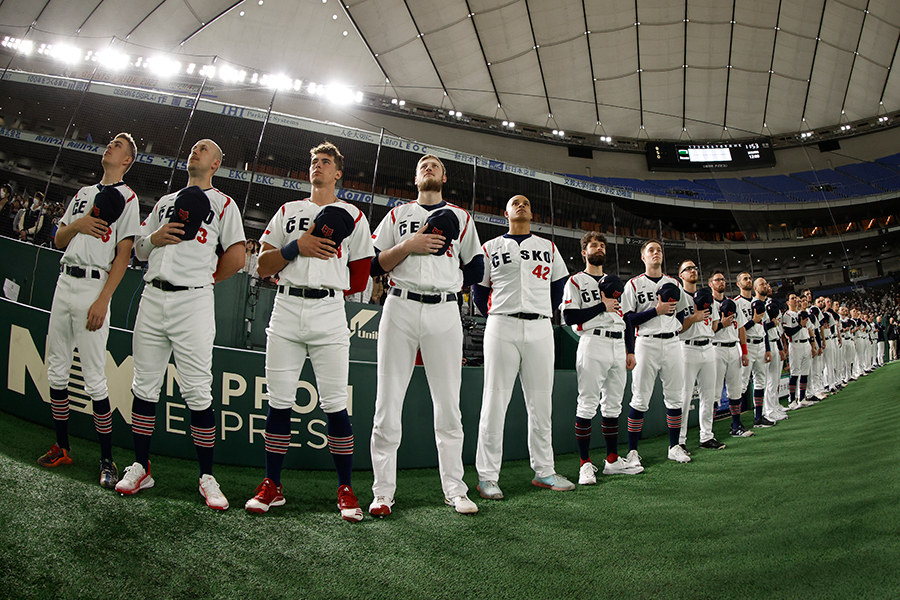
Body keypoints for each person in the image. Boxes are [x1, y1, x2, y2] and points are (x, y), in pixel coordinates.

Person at [244, 142, 374, 521]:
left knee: (335, 402)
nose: (318, 166)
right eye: (314, 161)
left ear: (338, 173)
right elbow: (262, 266)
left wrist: (326, 280)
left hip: (330, 310)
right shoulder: (289, 210)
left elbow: (361, 276)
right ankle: (272, 485)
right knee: (279, 400)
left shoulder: (355, 215)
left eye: (326, 162)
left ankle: (346, 488)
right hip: (285, 307)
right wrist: (295, 248)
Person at [115, 139, 246, 510]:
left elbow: (236, 256)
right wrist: (152, 239)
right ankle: (141, 465)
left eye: (204, 148)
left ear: (216, 163)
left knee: (198, 391)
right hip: (153, 296)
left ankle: (207, 475)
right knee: (144, 384)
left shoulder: (224, 203)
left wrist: (205, 280)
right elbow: (138, 250)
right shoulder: (164, 202)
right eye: (192, 147)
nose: (195, 151)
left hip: (193, 300)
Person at [368, 154, 484, 516]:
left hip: (444, 310)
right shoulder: (398, 215)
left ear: (444, 177)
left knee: (449, 406)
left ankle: (455, 489)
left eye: (434, 165)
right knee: (387, 403)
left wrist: (447, 282)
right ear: (414, 178)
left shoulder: (462, 217)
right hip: (399, 305)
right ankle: (382, 492)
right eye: (422, 166)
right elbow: (373, 264)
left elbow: (477, 267)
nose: (428, 168)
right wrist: (409, 246)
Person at [37, 133, 141, 489]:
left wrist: (104, 299)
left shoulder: (128, 197)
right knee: (57, 370)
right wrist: (77, 224)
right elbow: (58, 239)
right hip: (64, 282)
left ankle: (107, 459)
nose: (110, 146)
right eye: (110, 142)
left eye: (118, 146)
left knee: (95, 377)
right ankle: (62, 446)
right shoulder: (83, 194)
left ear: (127, 161)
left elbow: (124, 255)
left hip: (93, 287)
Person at [471, 195, 573, 499]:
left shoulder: (548, 247)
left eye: (526, 202)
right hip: (501, 324)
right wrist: (499, 311)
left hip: (541, 326)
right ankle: (487, 476)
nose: (521, 205)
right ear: (505, 213)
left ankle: (545, 471)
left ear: (532, 212)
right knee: (494, 401)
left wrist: (540, 311)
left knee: (541, 403)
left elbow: (558, 290)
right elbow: (479, 292)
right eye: (515, 203)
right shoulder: (489, 247)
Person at [561, 232, 642, 484]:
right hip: (593, 341)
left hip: (618, 343)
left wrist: (630, 350)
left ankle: (612, 460)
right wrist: (601, 306)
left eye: (602, 245)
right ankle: (585, 464)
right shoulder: (575, 281)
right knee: (587, 403)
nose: (599, 248)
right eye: (593, 245)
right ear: (584, 252)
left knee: (613, 405)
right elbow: (569, 317)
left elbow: (627, 318)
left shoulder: (617, 282)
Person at [620, 239, 692, 467]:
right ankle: (632, 451)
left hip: (672, 343)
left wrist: (671, 323)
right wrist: (656, 311)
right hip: (646, 343)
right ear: (643, 257)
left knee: (674, 397)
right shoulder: (633, 284)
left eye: (659, 250)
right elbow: (628, 319)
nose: (655, 253)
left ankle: (674, 446)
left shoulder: (673, 283)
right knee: (640, 398)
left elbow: (681, 314)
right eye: (650, 250)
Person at [678, 260, 726, 451]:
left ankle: (706, 436)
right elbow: (677, 327)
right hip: (686, 347)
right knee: (684, 397)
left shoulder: (709, 297)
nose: (692, 271)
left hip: (708, 347)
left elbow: (714, 326)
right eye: (687, 269)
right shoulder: (679, 296)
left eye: (694, 268)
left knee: (708, 395)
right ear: (680, 275)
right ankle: (679, 441)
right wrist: (694, 318)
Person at [708, 270, 754, 437]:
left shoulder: (733, 303)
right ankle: (708, 431)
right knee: (714, 391)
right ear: (710, 284)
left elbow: (741, 328)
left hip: (734, 347)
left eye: (723, 280)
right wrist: (721, 323)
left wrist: (744, 351)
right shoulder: (708, 303)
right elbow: (706, 330)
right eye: (717, 280)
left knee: (735, 390)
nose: (721, 282)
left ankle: (736, 426)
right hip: (716, 347)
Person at [735, 273, 775, 428]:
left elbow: (763, 326)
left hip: (760, 344)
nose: (749, 280)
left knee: (760, 380)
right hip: (747, 345)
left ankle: (759, 417)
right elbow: (740, 328)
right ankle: (736, 422)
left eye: (750, 278)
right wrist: (753, 321)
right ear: (738, 284)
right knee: (742, 384)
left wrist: (768, 348)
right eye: (745, 279)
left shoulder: (758, 302)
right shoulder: (736, 303)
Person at [783, 293, 815, 409]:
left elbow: (810, 329)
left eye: (796, 298)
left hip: (805, 343)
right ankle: (792, 400)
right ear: (788, 302)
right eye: (792, 298)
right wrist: (800, 325)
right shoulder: (787, 315)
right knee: (795, 373)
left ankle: (802, 398)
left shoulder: (802, 313)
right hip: (795, 345)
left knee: (805, 373)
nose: (795, 300)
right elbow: (788, 332)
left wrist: (813, 345)